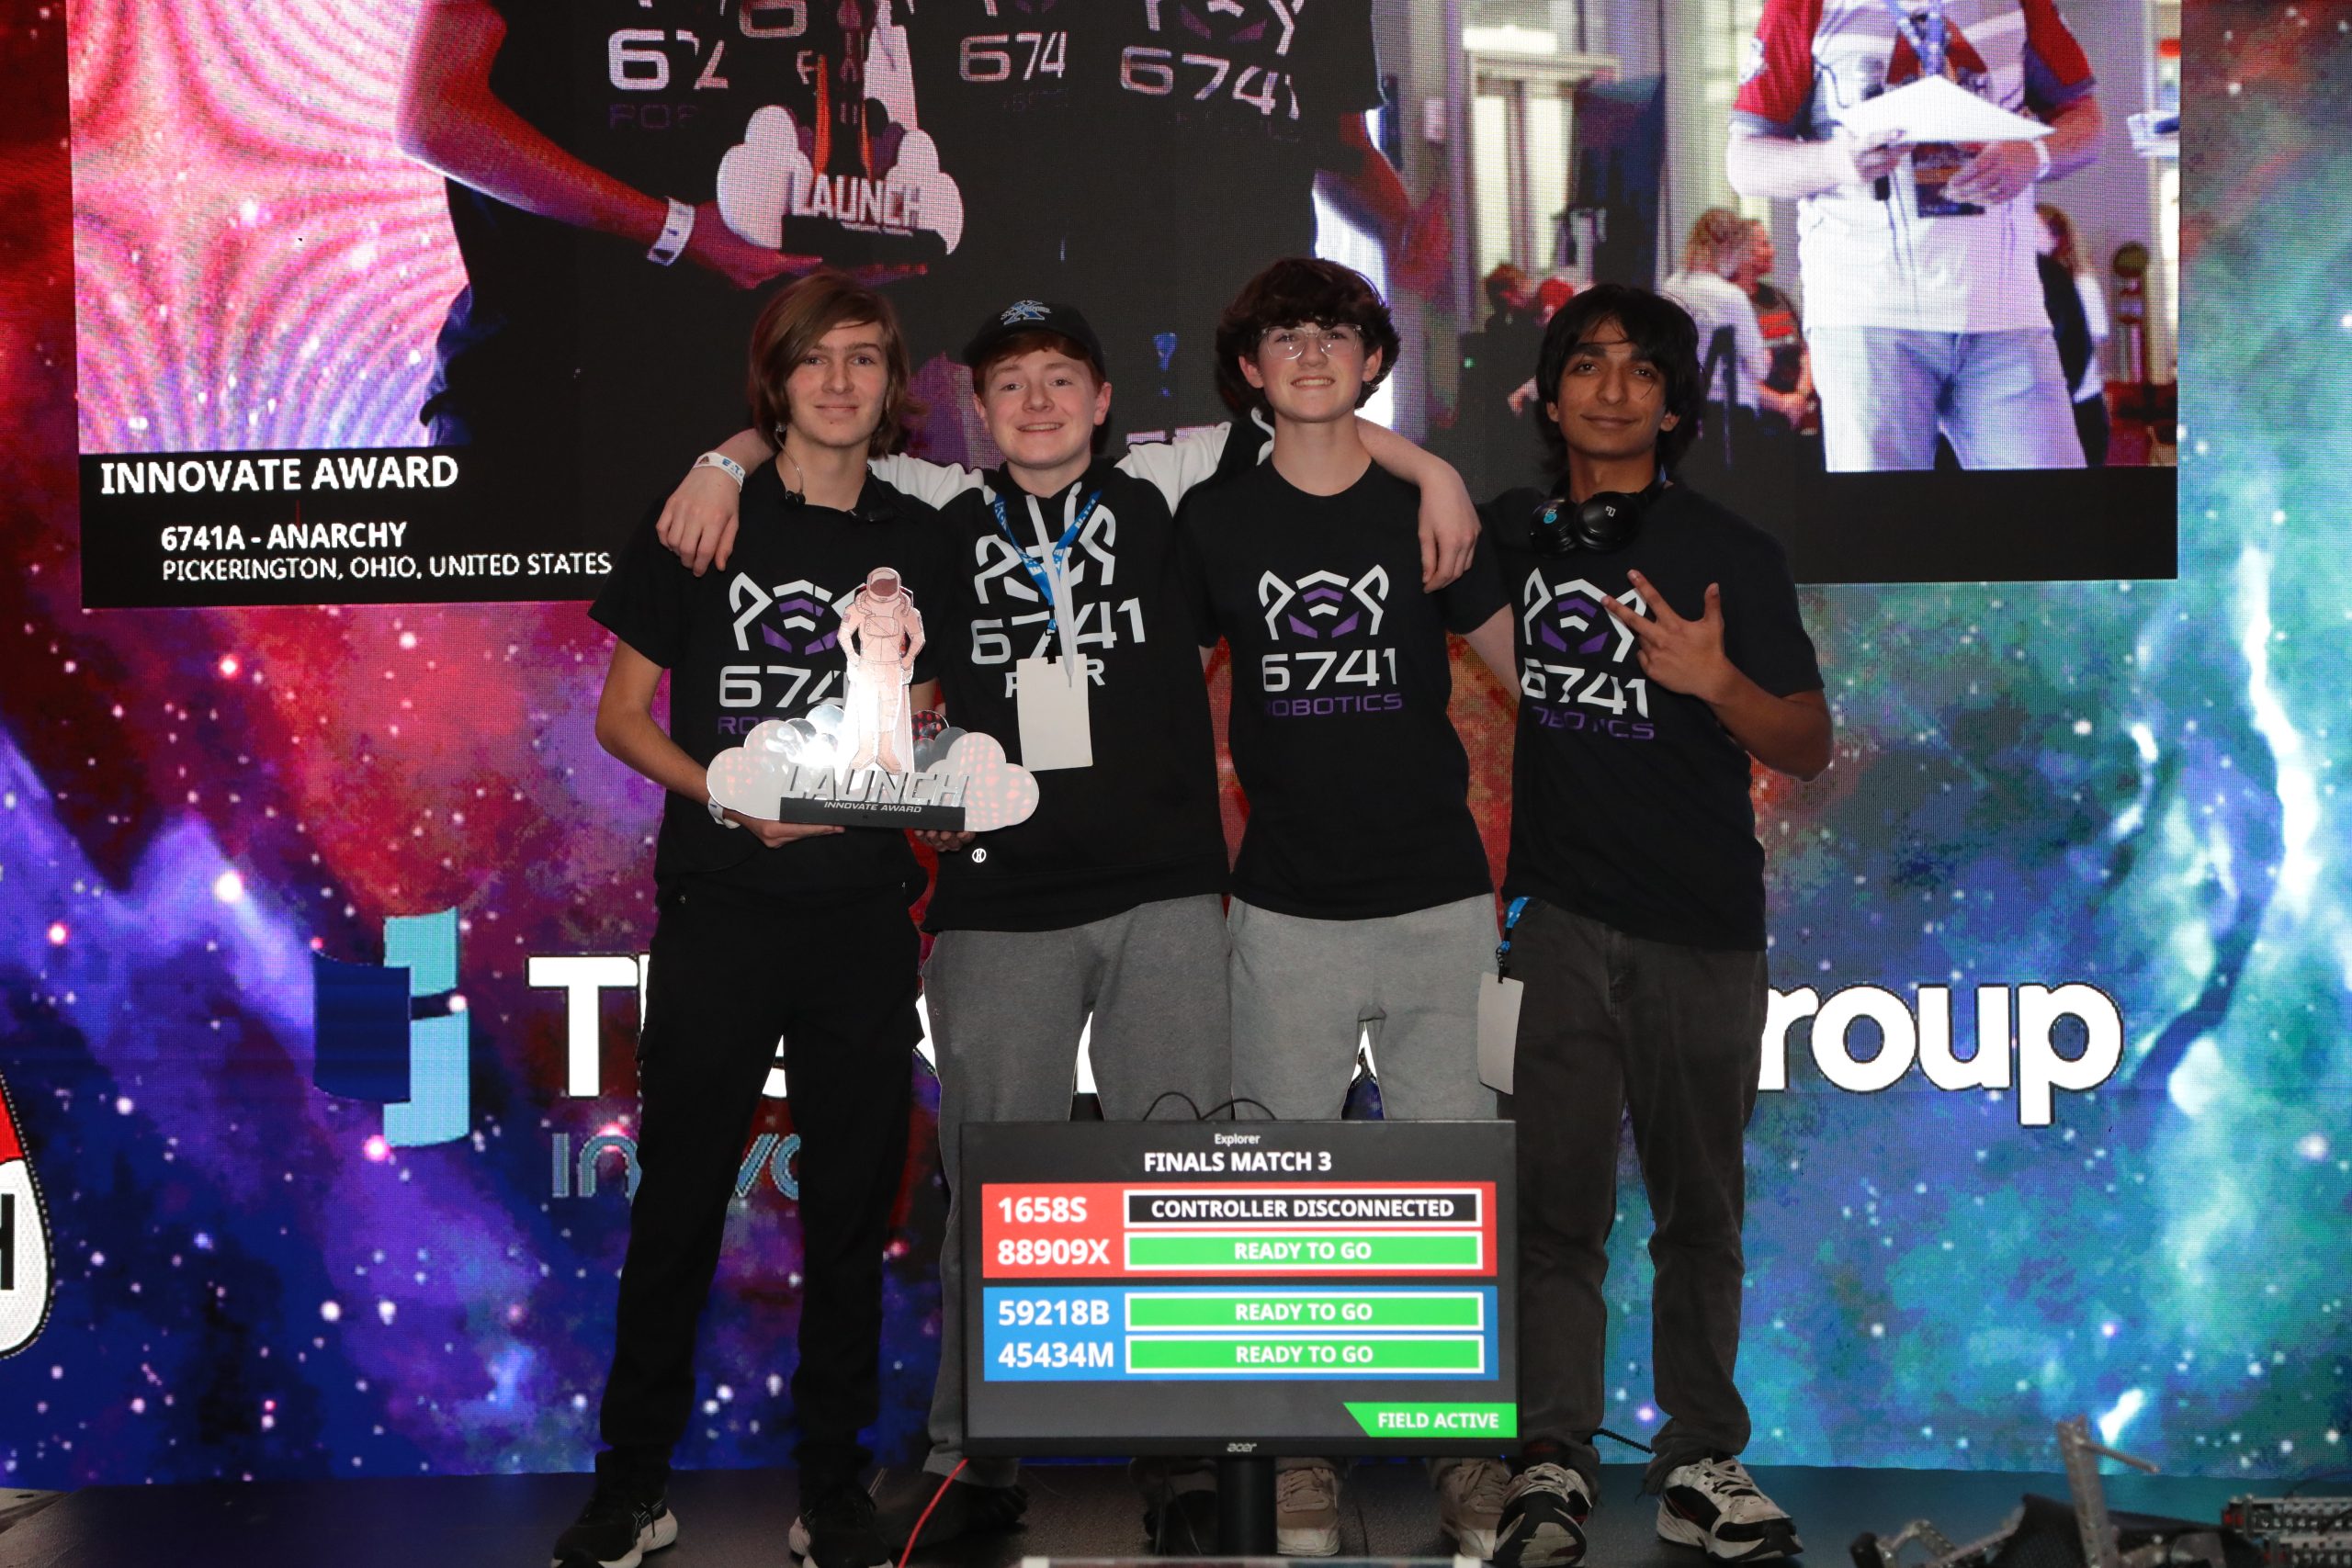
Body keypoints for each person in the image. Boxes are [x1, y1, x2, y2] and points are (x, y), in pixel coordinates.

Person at [653, 299, 1484, 1558]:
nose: (1036, 403)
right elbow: (812, 425)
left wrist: (1434, 469)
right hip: (998, 906)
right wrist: (721, 462)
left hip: (1164, 896)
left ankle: (1187, 1457)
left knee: (1180, 1180)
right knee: (992, 1184)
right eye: (1009, 385)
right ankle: (972, 1459)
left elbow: (1311, 415)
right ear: (974, 410)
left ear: (1102, 400)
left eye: (1060, 379)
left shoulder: (1169, 481)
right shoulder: (936, 501)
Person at [560, 271, 956, 1568]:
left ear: (891, 384)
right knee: (678, 1201)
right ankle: (630, 1486)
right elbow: (620, 718)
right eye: (813, 359)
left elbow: (924, 722)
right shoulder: (703, 516)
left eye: (863, 358)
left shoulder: (920, 537)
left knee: (848, 1217)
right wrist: (727, 794)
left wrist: (935, 773)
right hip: (722, 910)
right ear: (775, 381)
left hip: (861, 917)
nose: (839, 382)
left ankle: (831, 1487)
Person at [1475, 284, 1828, 1568]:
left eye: (1640, 368)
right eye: (1586, 363)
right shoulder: (1511, 533)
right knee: (1554, 1214)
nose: (1613, 387)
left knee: (1698, 1212)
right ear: (1550, 392)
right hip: (1555, 923)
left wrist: (1716, 679)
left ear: (1676, 403)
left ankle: (1698, 1459)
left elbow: (1807, 741)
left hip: (1700, 924)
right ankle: (1550, 1460)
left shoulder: (1734, 550)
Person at [1175, 257, 1519, 1560]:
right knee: (1280, 1198)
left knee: (1450, 1192)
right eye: (1285, 335)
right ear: (1249, 369)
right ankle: (1297, 1456)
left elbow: (1531, 676)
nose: (1312, 352)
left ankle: (1466, 1457)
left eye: (1336, 332)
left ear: (1372, 360)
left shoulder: (1425, 507)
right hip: (1285, 909)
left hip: (1440, 903)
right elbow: (1150, 694)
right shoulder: (1213, 521)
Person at [1724, 0, 2104, 470]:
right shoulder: (1804, 6)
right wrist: (1839, 162)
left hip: (2005, 312)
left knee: (2048, 512)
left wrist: (2034, 156)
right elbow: (1744, 163)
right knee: (1883, 515)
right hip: (1867, 314)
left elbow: (2087, 120)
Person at [1661, 210, 1810, 460]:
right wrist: (1765, 357)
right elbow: (1760, 369)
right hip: (1730, 411)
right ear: (1729, 248)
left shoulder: (1672, 287)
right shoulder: (1730, 296)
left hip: (1684, 408)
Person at [2037, 203, 2111, 465]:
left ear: (2057, 238)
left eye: (2034, 231)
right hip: (2043, 405)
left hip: (2080, 404)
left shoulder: (2082, 284)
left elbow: (2089, 343)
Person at [1736, 220, 1813, 433]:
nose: (1773, 251)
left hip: (1796, 412)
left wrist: (1800, 395)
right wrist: (1780, 403)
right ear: (1744, 253)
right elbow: (1736, 374)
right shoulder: (1732, 303)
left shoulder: (1778, 297)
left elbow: (1806, 352)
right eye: (1764, 244)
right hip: (1754, 420)